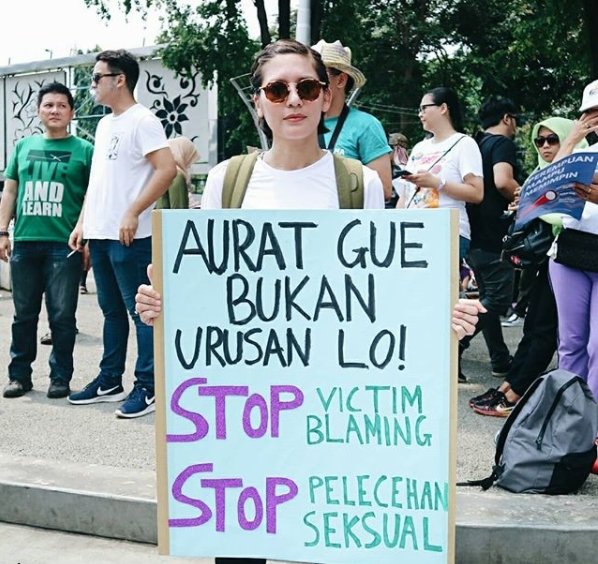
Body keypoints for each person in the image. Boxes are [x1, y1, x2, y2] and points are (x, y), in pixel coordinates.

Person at [134, 38, 484, 564]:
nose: (292, 98)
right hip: (248, 407)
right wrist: (165, 306)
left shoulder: (358, 184)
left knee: (329, 537)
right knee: (242, 544)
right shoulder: (229, 181)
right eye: (277, 88)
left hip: (331, 405)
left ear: (326, 97)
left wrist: (440, 317)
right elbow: (211, 293)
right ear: (260, 101)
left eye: (307, 86)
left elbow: (377, 292)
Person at [67, 49, 176, 418]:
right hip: (99, 232)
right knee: (111, 312)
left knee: (139, 313)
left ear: (120, 80)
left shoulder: (142, 120)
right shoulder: (104, 124)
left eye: (97, 77)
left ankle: (147, 386)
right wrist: (84, 222)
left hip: (130, 235)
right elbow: (99, 182)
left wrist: (133, 211)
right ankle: (110, 379)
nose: (92, 84)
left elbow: (167, 169)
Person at [470, 116, 587, 416]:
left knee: (552, 332)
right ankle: (512, 388)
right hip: (550, 260)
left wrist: (534, 204)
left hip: (574, 258)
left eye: (553, 139)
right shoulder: (541, 171)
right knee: (537, 326)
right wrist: (529, 204)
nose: (545, 146)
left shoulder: (584, 165)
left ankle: (519, 393)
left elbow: (565, 215)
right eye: (540, 140)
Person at [0, 82, 93, 399]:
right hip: (25, 242)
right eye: (49, 105)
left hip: (63, 245)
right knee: (23, 315)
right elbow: (10, 190)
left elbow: (92, 197)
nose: (55, 110)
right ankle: (19, 376)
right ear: (38, 110)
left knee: (62, 317)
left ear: (71, 112)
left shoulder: (84, 150)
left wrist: (85, 235)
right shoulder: (23, 146)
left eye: (62, 105)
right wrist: (2, 231)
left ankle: (60, 378)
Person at [459, 97, 520, 382]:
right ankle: (456, 343)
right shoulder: (501, 144)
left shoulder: (476, 145)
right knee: (497, 300)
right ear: (507, 118)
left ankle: (499, 358)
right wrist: (529, 197)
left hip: (474, 234)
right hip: (496, 235)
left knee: (486, 298)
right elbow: (503, 181)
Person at [545, 79, 598, 401]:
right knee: (570, 342)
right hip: (571, 250)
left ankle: (593, 426)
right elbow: (551, 188)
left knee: (597, 346)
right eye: (589, 112)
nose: (594, 118)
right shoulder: (584, 153)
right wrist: (573, 137)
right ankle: (569, 419)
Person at [395, 86, 484, 262]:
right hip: (411, 231)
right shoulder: (420, 147)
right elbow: (405, 195)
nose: (420, 114)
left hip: (447, 230)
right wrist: (397, 225)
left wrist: (437, 183)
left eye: (424, 108)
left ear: (443, 108)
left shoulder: (464, 143)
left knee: (440, 288)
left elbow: (477, 193)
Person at [311, 39, 393, 201]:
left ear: (341, 80)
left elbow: (384, 190)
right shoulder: (300, 123)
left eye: (319, 75)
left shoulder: (366, 125)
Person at [155, 137, 198, 210]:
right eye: (189, 158)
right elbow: (179, 212)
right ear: (182, 154)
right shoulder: (176, 176)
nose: (190, 165)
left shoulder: (161, 174)